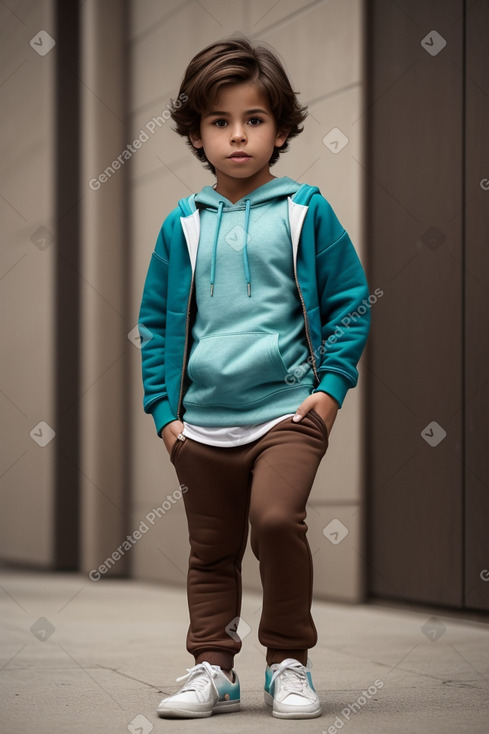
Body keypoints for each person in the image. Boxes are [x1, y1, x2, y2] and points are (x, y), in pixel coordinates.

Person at [138, 35, 370, 720]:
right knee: (210, 551)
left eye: (254, 119)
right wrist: (165, 417)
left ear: (280, 128)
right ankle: (212, 668)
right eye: (219, 121)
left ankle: (287, 661)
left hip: (286, 415)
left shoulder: (305, 211)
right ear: (196, 133)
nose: (237, 136)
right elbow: (154, 324)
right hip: (200, 422)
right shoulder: (181, 225)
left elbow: (350, 305)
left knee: (274, 520)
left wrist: (326, 396)